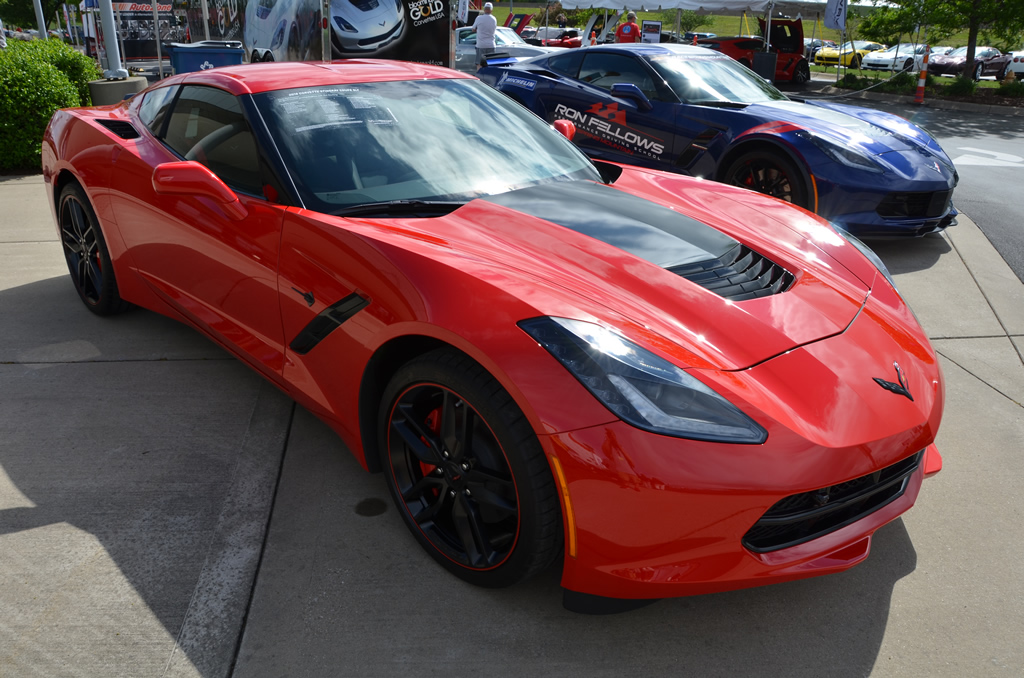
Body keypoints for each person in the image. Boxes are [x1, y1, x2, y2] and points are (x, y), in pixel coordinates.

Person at [473, 2, 497, 69]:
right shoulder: (494, 19)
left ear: (484, 9)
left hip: (481, 45)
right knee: (491, 64)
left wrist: (478, 29)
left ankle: (479, 77)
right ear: (491, 10)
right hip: (491, 45)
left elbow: (473, 29)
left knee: (479, 63)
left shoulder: (479, 18)